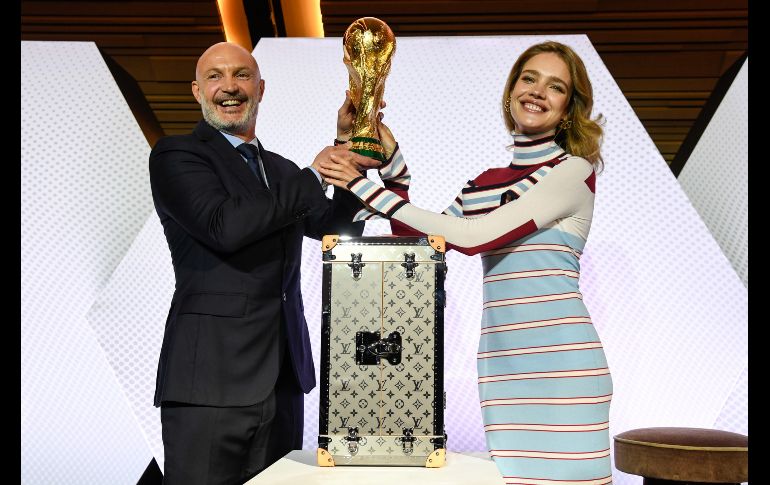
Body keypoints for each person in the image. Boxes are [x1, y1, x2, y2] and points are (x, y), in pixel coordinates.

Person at [322, 41, 612, 484]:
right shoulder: (483, 185)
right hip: (501, 367)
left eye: (556, 87)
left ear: (569, 109)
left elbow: (477, 237)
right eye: (529, 78)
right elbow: (421, 246)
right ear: (511, 91)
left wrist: (364, 188)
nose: (537, 92)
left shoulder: (572, 171)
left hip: (564, 371)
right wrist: (395, 173)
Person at [149, 41, 379, 484]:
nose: (229, 87)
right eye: (215, 76)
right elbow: (226, 227)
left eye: (241, 75)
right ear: (196, 91)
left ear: (261, 88)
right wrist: (314, 175)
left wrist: (347, 149)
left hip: (282, 378)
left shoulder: (280, 169)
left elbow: (339, 231)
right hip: (209, 384)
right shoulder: (177, 155)